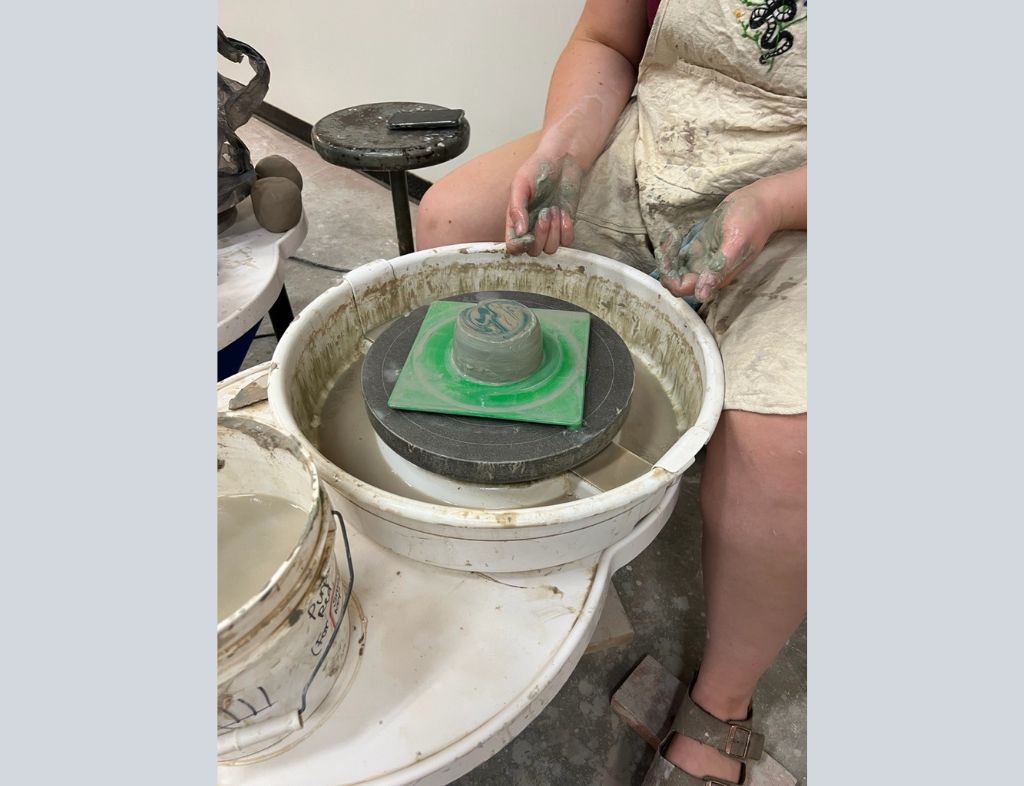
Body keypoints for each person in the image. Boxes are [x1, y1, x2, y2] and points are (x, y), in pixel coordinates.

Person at [417, 0, 806, 783]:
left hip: (804, 195)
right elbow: (604, 38)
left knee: (783, 438)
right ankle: (521, 503)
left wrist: (769, 204)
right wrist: (567, 144)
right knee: (456, 216)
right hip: (657, 142)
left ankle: (720, 707)